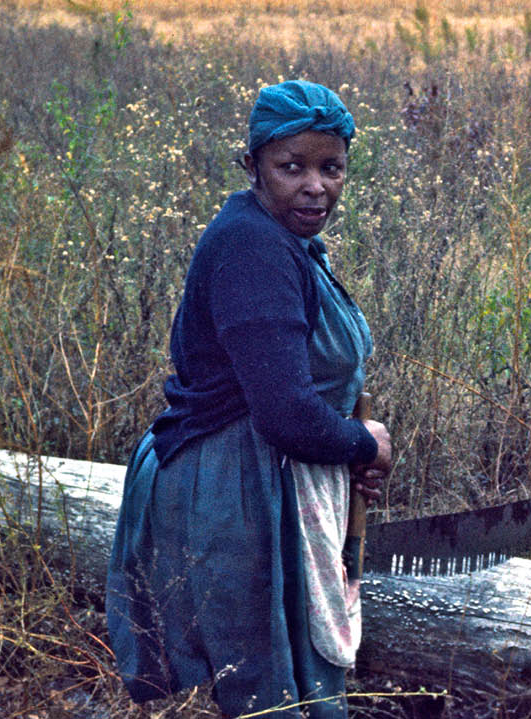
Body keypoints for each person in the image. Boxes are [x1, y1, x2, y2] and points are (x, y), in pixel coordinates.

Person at [106, 80, 391, 718]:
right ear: (253, 166)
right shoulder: (251, 247)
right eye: (292, 167)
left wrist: (343, 451)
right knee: (264, 693)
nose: (315, 187)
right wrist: (363, 443)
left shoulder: (288, 240)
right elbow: (285, 413)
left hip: (263, 473)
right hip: (230, 491)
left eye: (331, 168)